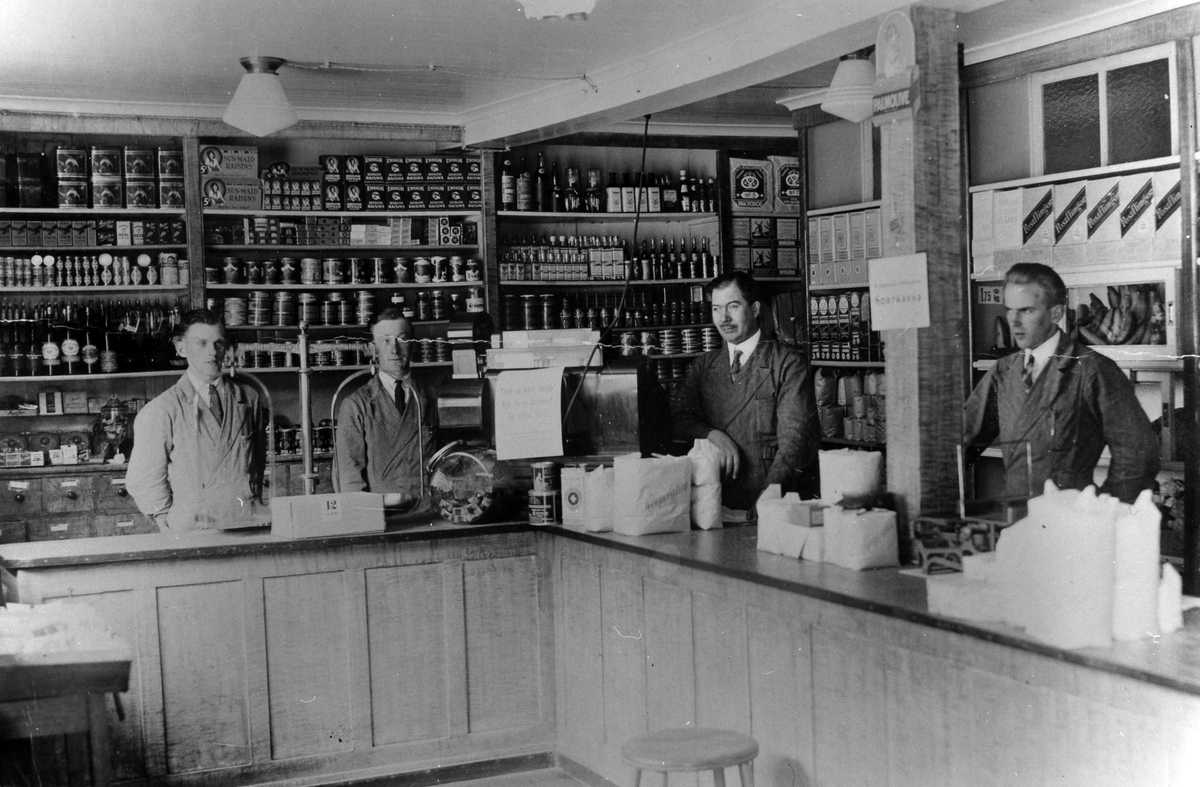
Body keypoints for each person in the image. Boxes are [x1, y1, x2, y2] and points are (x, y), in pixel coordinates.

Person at [964, 263, 1159, 504]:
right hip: (1016, 517)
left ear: (1056, 314)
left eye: (1026, 311)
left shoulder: (1093, 370)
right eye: (1009, 310)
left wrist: (1101, 510)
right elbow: (963, 439)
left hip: (1069, 517)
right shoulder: (1003, 371)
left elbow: (1138, 457)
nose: (1014, 321)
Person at [672, 271, 821, 512]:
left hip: (769, 500)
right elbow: (679, 419)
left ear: (755, 309)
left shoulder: (787, 363)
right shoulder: (704, 366)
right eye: (716, 309)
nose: (724, 318)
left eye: (733, 306)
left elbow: (795, 444)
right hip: (715, 503)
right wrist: (712, 435)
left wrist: (765, 502)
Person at [126, 309, 266, 530]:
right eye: (202, 343)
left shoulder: (249, 398)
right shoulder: (162, 409)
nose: (212, 352)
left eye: (218, 344)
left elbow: (257, 463)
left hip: (245, 521)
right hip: (193, 528)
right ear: (181, 348)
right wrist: (166, 520)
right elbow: (143, 480)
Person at [335, 308, 437, 505]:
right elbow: (350, 483)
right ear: (373, 349)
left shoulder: (432, 397)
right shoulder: (355, 406)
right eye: (385, 341)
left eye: (402, 339)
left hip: (429, 511)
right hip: (383, 514)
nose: (394, 349)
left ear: (413, 345)